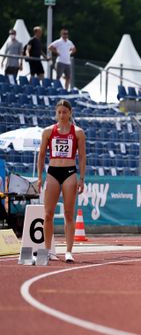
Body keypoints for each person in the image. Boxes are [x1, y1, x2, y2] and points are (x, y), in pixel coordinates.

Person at [37, 99, 86, 262]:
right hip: (52, 172)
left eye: (65, 112)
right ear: (55, 113)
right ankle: (47, 250)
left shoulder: (78, 132)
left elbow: (83, 157)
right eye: (59, 112)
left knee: (68, 213)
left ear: (70, 113)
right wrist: (39, 177)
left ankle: (68, 251)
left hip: (70, 172)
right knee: (48, 214)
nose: (62, 115)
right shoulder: (48, 131)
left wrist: (82, 178)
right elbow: (42, 154)